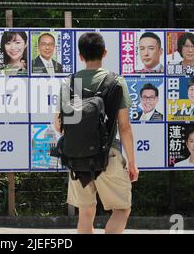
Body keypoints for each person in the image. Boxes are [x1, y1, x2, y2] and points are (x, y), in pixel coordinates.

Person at [54, 32, 138, 234]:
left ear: (81, 56)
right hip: (108, 155)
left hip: (76, 158)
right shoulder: (116, 82)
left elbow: (58, 125)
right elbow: (124, 127)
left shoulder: (69, 83)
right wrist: (132, 163)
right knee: (122, 208)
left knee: (85, 211)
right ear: (105, 53)